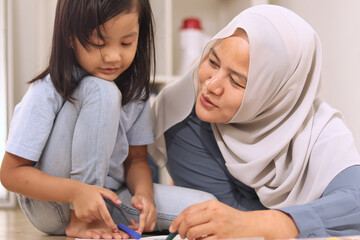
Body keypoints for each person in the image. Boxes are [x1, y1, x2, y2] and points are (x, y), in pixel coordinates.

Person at [0, 0, 215, 239]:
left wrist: (145, 196)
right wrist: (77, 193)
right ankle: (83, 220)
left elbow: (136, 159)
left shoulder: (136, 92)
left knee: (206, 208)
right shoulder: (48, 89)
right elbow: (11, 174)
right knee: (102, 91)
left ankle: (94, 216)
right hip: (52, 203)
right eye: (98, 43)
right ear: (70, 37)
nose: (113, 56)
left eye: (126, 42)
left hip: (108, 200)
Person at [149, 4, 360, 240]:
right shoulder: (183, 119)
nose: (211, 86)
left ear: (277, 93)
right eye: (212, 62)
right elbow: (227, 218)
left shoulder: (318, 128)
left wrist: (274, 223)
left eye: (237, 82)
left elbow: (357, 201)